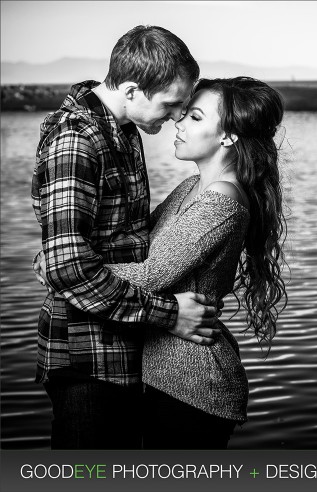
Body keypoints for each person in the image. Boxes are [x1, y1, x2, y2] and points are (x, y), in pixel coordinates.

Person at [30, 25, 220, 449]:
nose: (176, 116)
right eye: (171, 104)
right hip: (86, 357)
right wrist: (170, 315)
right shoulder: (77, 139)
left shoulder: (124, 128)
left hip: (121, 349)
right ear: (132, 89)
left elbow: (113, 236)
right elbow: (69, 268)